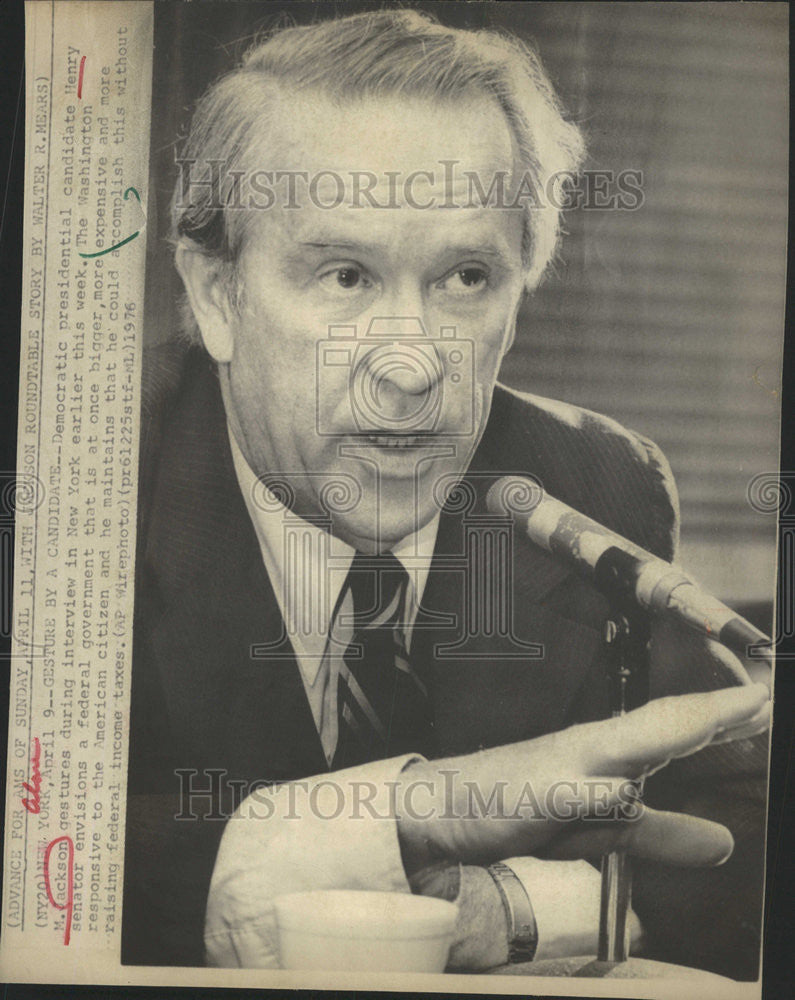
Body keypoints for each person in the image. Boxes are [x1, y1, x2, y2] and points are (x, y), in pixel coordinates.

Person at [122, 8, 769, 978]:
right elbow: (55, 861)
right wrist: (424, 813)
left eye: (467, 276)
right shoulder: (84, 486)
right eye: (345, 274)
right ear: (217, 296)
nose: (412, 366)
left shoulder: (600, 480)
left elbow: (739, 833)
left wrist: (506, 907)